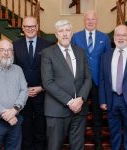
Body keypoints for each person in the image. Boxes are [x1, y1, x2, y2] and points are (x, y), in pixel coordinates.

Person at [41, 19, 92, 150]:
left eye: (67, 30)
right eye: (61, 31)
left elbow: (88, 78)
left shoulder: (80, 52)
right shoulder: (47, 53)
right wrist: (70, 102)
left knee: (78, 146)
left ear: (72, 33)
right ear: (56, 34)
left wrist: (81, 99)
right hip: (57, 110)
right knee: (54, 146)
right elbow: (48, 82)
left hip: (79, 110)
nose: (64, 34)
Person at [71, 10, 111, 149]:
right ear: (84, 20)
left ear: (97, 20)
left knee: (97, 115)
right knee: (79, 114)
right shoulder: (75, 37)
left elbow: (107, 60)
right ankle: (78, 142)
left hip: (98, 82)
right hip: (81, 82)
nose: (90, 21)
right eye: (88, 19)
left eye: (93, 19)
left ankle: (98, 142)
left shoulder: (104, 37)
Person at [13, 16, 52, 150]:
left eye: (33, 26)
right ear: (22, 28)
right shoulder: (15, 45)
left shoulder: (47, 45)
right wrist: (24, 89)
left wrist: (42, 87)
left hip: (42, 93)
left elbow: (51, 70)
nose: (30, 29)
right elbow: (13, 70)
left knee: (41, 128)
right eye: (27, 26)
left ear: (37, 27)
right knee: (26, 128)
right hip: (22, 95)